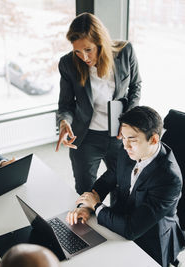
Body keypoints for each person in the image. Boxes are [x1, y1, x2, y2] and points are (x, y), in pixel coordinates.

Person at [66, 106, 185, 267]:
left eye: (132, 140)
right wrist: (86, 206)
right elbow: (107, 179)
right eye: (123, 138)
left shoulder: (169, 178)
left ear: (154, 139)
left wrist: (96, 205)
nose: (125, 145)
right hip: (119, 220)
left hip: (149, 238)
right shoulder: (127, 151)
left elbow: (131, 230)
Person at [55, 12, 141, 195]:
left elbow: (135, 86)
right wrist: (64, 122)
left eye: (88, 50)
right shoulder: (68, 64)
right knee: (86, 192)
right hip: (86, 138)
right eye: (77, 51)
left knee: (123, 186)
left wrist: (130, 121)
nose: (83, 57)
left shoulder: (125, 51)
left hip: (120, 136)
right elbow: (65, 105)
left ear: (100, 42)